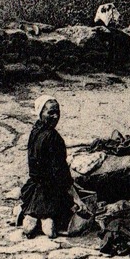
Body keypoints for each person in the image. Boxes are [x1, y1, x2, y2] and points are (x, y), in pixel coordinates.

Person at [19, 95, 77, 239]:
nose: (55, 116)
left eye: (57, 112)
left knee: (31, 220)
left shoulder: (35, 131)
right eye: (50, 112)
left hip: (34, 186)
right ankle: (45, 220)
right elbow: (61, 172)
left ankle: (31, 216)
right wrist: (76, 197)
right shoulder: (54, 138)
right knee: (57, 218)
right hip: (51, 190)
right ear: (41, 113)